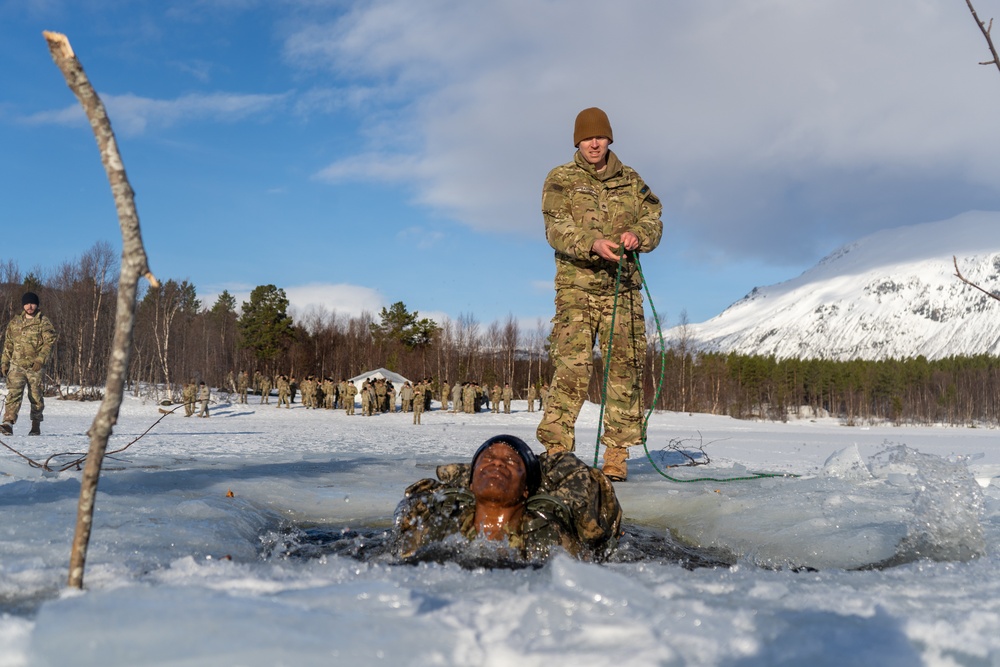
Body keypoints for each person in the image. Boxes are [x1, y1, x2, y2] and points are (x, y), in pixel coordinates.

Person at [536, 107, 663, 482]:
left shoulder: (632, 181)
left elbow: (653, 219)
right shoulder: (560, 178)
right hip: (577, 287)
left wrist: (638, 236)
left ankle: (616, 455)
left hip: (622, 288)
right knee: (571, 367)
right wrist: (592, 243)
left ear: (610, 139)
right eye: (587, 138)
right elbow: (555, 227)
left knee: (625, 370)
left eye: (600, 137)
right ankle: (558, 451)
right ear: (577, 141)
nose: (594, 143)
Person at [391, 434, 622, 564]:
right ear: (470, 484)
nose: (497, 463)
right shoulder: (440, 527)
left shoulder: (550, 536)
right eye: (488, 458)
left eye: (512, 461)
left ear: (526, 490)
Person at [1, 292, 58, 436]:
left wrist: (40, 360)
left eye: (32, 303)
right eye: (27, 303)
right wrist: (4, 363)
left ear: (37, 305)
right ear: (23, 305)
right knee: (14, 393)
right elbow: (8, 344)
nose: (29, 306)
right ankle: (8, 423)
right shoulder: (15, 322)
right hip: (17, 365)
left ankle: (36, 424)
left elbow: (49, 343)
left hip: (35, 367)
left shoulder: (43, 322)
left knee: (35, 396)